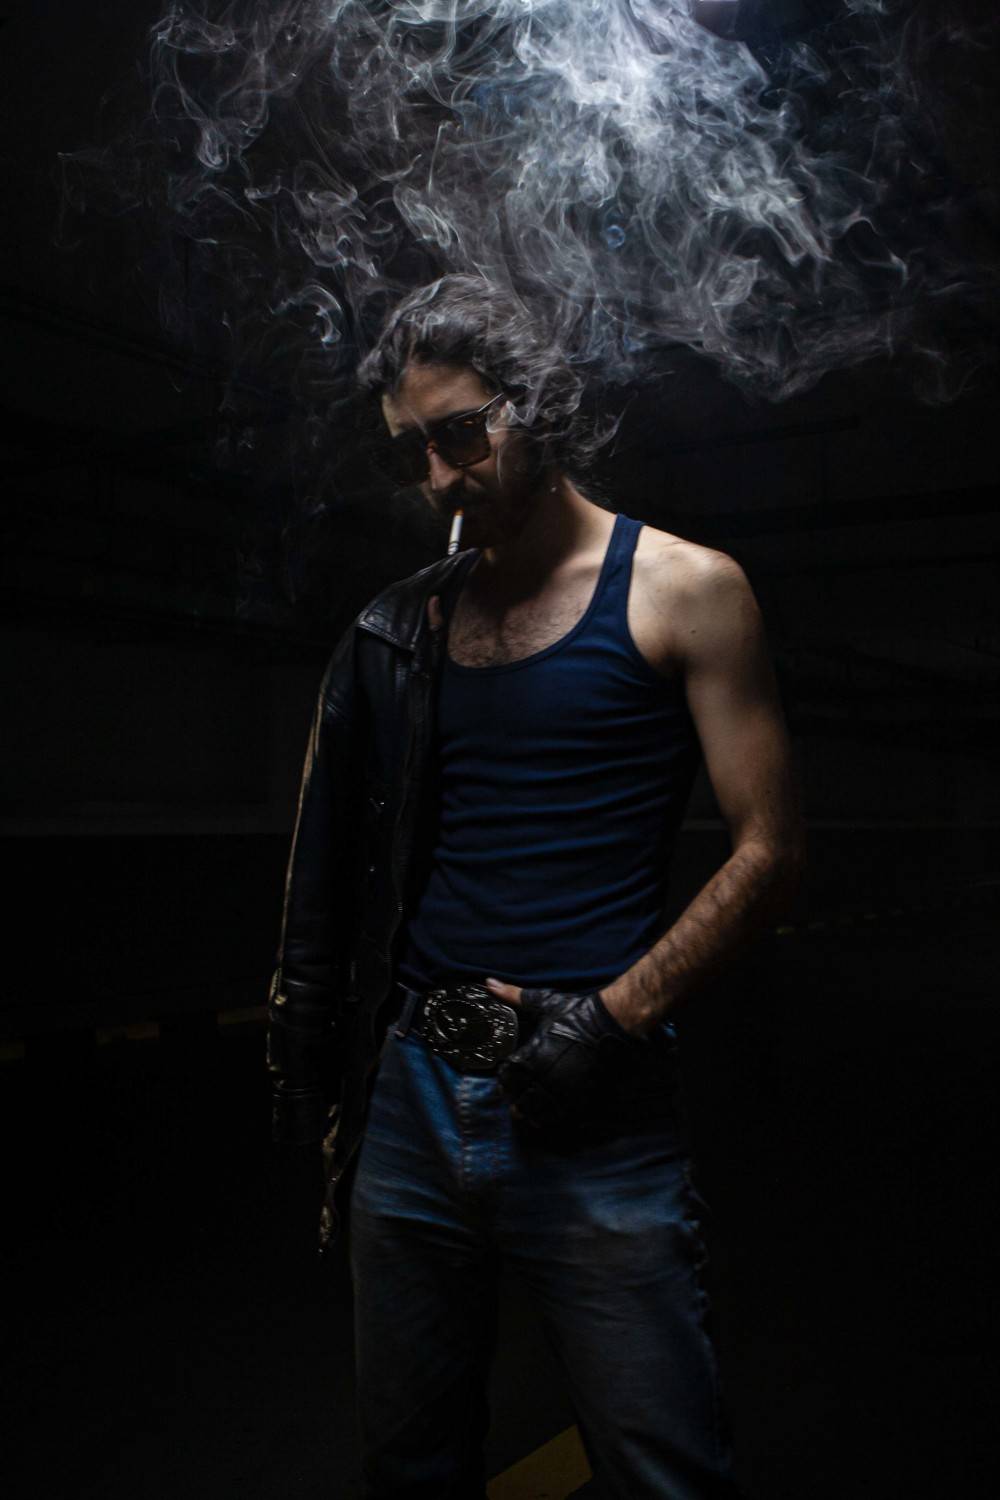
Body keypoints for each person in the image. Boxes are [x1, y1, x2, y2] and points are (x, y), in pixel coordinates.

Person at [267, 275, 804, 1499]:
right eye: (413, 449)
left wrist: (607, 1024)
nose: (440, 478)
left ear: (541, 404)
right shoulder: (410, 624)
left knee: (663, 1470)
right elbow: (336, 847)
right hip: (415, 1089)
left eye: (462, 434)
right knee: (410, 1465)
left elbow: (771, 852)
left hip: (597, 1104)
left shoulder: (683, 589)